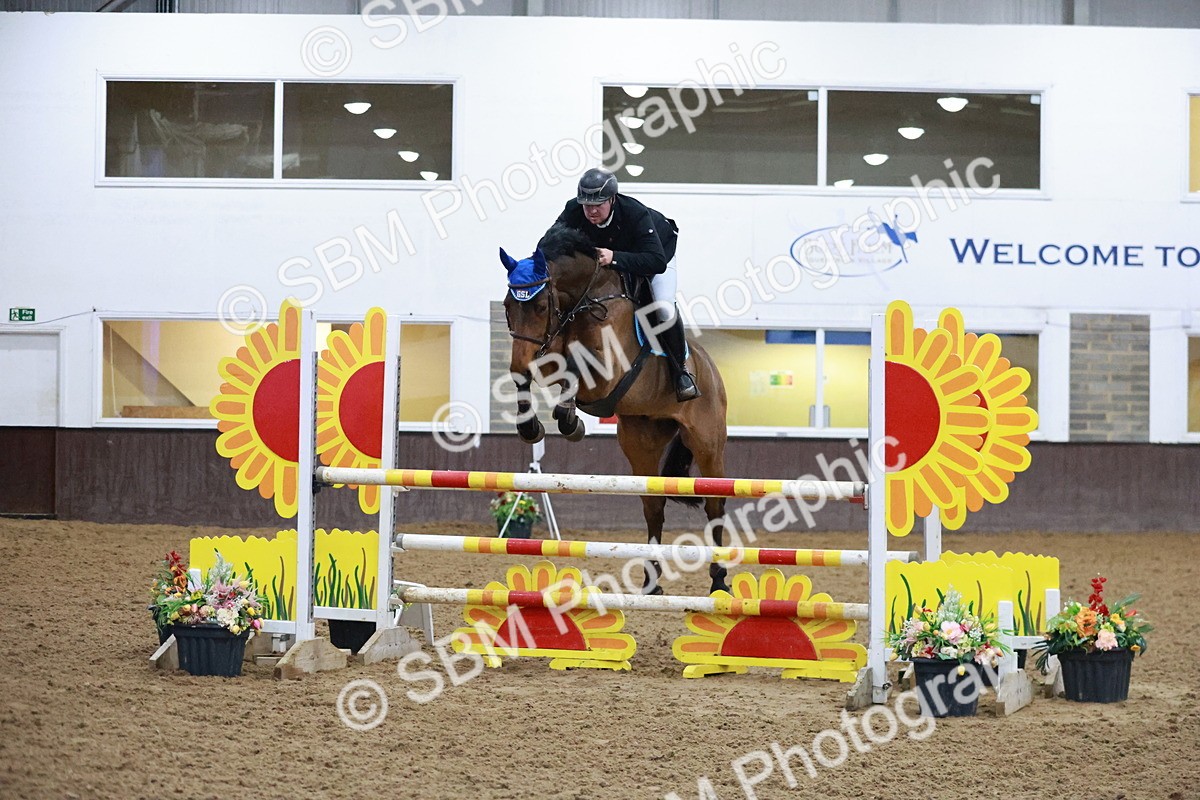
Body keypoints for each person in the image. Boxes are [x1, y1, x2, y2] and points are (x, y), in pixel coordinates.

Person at [549, 167, 700, 402]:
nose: (591, 211)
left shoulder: (634, 213)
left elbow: (656, 262)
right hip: (610, 260)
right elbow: (547, 244)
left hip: (656, 255)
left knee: (663, 308)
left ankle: (680, 371)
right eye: (587, 205)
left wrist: (615, 257)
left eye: (598, 204)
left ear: (612, 199)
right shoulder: (574, 210)